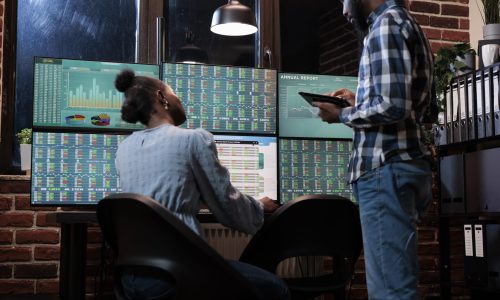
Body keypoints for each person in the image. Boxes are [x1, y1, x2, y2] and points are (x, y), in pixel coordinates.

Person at [113, 69, 290, 300]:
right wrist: (258, 206)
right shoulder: (192, 139)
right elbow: (227, 204)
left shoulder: (124, 149)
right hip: (178, 274)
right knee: (277, 289)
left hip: (131, 278)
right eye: (174, 94)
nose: (179, 99)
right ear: (161, 97)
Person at [314, 0, 436, 299]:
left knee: (391, 292)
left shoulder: (385, 25)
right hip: (402, 164)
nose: (344, 11)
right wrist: (357, 102)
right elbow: (407, 103)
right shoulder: (404, 22)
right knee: (397, 285)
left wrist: (340, 115)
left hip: (385, 170)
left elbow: (393, 106)